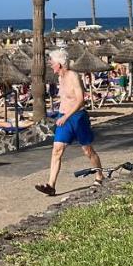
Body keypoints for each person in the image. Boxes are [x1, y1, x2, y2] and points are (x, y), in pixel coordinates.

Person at [35, 49, 104, 196]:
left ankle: (99, 175)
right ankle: (51, 185)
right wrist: (61, 113)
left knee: (87, 150)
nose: (50, 65)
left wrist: (66, 116)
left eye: (52, 62)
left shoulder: (73, 76)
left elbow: (80, 99)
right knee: (57, 150)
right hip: (63, 117)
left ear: (59, 64)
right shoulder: (60, 78)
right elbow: (66, 98)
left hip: (77, 117)